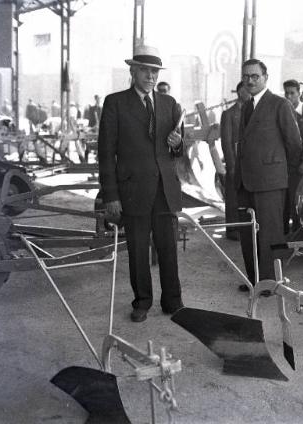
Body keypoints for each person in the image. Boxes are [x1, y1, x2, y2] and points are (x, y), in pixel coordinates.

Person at [98, 45, 185, 322]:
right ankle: (142, 302)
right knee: (137, 250)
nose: (151, 76)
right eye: (145, 70)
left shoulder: (169, 104)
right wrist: (111, 195)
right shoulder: (115, 103)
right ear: (133, 71)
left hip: (164, 189)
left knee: (168, 247)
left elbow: (177, 148)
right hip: (132, 190)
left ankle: (173, 302)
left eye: (155, 71)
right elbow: (105, 153)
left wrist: (177, 144)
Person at [235, 58, 302, 290]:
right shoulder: (246, 106)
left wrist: (278, 171)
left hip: (270, 182)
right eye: (246, 77)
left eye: (255, 76)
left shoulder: (279, 104)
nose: (250, 81)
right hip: (247, 181)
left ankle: (270, 283)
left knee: (269, 235)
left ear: (265, 78)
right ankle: (255, 280)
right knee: (249, 234)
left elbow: (294, 144)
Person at [283, 79, 303, 234]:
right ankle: (283, 232)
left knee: (298, 200)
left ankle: (298, 232)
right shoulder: (283, 111)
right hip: (284, 165)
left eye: (292, 93)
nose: (289, 96)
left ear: (299, 94)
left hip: (299, 166)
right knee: (284, 200)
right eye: (286, 93)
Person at [220, 81, 251, 240]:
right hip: (234, 163)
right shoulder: (229, 114)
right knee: (232, 198)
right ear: (239, 92)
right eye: (246, 89)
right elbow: (226, 142)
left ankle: (245, 229)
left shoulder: (252, 111)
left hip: (249, 164)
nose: (249, 92)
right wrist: (231, 166)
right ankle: (232, 230)